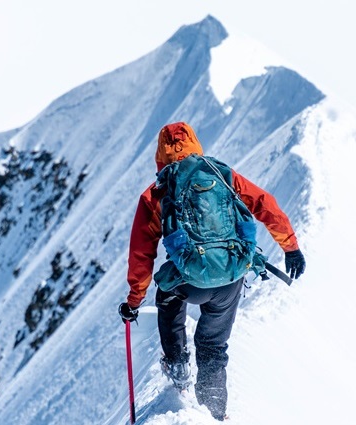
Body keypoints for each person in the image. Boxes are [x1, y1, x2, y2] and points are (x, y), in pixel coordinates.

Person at [118, 122, 306, 421]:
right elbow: (265, 204)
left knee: (166, 291)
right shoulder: (222, 174)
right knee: (213, 346)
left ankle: (177, 362)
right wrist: (291, 248)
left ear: (160, 156)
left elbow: (142, 255)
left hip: (190, 281)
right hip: (232, 275)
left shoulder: (155, 194)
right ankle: (214, 412)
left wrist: (134, 301)